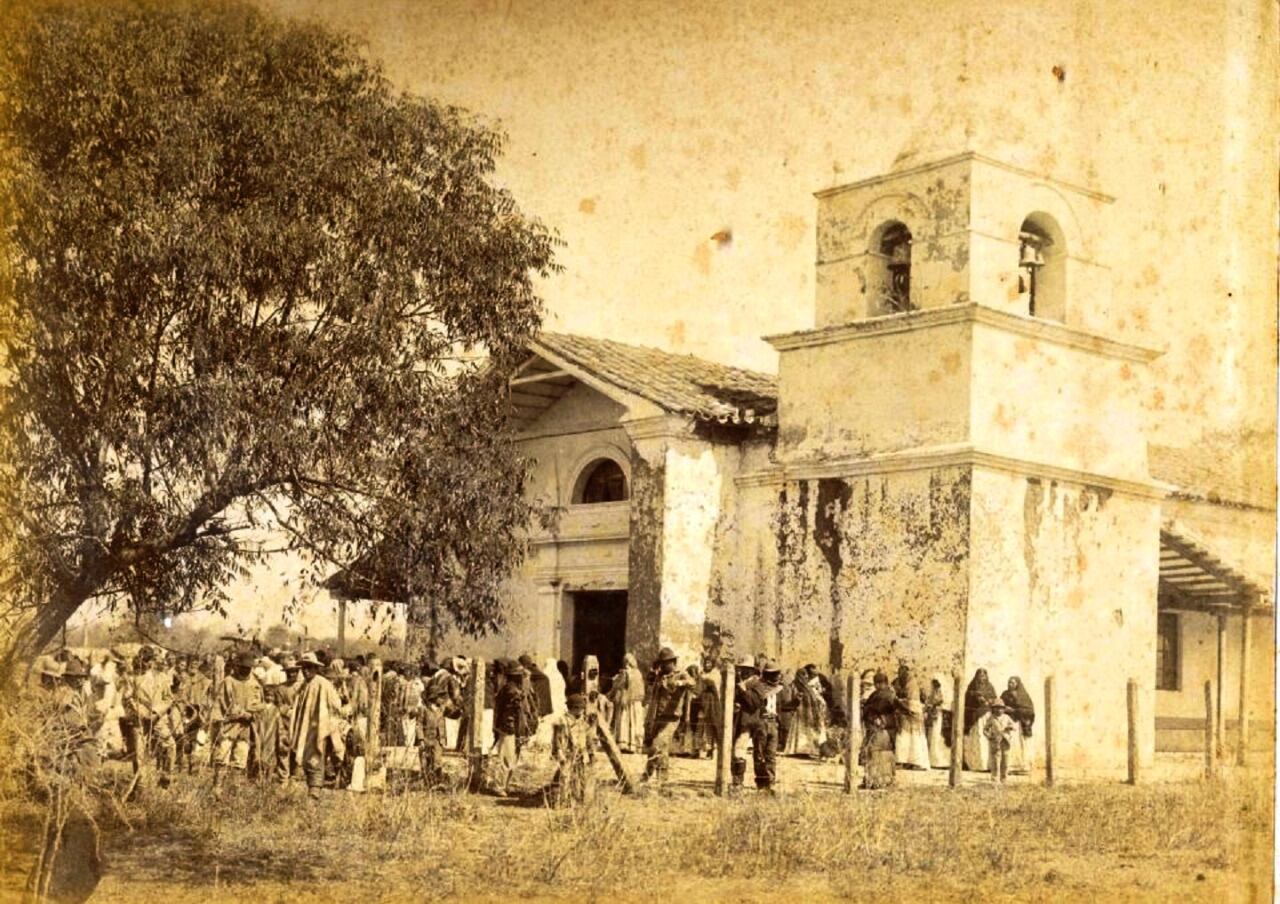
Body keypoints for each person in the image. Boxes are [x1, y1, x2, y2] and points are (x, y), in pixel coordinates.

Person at [290, 652, 346, 799]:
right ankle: (311, 788)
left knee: (317, 756)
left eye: (309, 668)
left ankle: (315, 791)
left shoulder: (324, 684)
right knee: (305, 757)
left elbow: (335, 705)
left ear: (315, 668)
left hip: (320, 728)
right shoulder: (303, 685)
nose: (305, 671)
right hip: (305, 729)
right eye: (303, 668)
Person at [212, 651, 265, 795]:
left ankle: (235, 791)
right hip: (229, 726)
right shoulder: (228, 682)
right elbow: (224, 704)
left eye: (248, 668)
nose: (246, 670)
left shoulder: (255, 684)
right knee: (222, 756)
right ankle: (217, 788)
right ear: (237, 666)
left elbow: (260, 704)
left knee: (240, 759)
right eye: (243, 667)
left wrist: (253, 713)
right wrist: (243, 713)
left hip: (245, 729)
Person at [642, 647, 696, 783]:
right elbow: (649, 683)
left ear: (672, 662)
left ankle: (660, 777)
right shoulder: (659, 675)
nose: (663, 665)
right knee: (658, 747)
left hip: (672, 717)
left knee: (658, 744)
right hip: (658, 716)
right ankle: (652, 776)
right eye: (661, 663)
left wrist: (679, 683)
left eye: (665, 663)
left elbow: (692, 682)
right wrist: (653, 672)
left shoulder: (681, 674)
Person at [737, 659, 790, 792]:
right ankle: (761, 783)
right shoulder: (758, 686)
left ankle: (770, 782)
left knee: (771, 755)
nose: (777, 676)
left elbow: (784, 706)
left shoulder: (780, 688)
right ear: (767, 675)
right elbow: (752, 702)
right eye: (773, 673)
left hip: (773, 723)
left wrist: (796, 701)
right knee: (760, 754)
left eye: (777, 673)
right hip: (761, 722)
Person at [128, 646, 178, 787]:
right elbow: (129, 698)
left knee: (170, 745)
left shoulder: (161, 677)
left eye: (148, 661)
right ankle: (140, 786)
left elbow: (169, 699)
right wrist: (140, 712)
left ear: (152, 661)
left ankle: (166, 777)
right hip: (140, 719)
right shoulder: (134, 678)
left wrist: (156, 713)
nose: (145, 664)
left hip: (157, 719)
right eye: (143, 661)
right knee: (139, 753)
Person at [490, 660, 531, 796]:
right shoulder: (511, 690)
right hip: (509, 727)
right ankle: (499, 785)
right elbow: (517, 710)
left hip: (513, 728)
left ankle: (504, 785)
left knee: (512, 758)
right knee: (506, 758)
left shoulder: (511, 689)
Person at [548, 693, 594, 807]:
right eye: (580, 708)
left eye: (583, 708)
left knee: (579, 777)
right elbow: (557, 739)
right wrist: (559, 753)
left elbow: (588, 738)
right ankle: (560, 801)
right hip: (567, 753)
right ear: (574, 708)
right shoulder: (562, 721)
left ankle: (576, 799)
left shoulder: (583, 722)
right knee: (564, 777)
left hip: (580, 754)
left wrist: (590, 753)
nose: (582, 711)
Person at [783, 664, 828, 757]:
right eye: (803, 674)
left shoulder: (807, 687)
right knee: (800, 732)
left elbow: (815, 698)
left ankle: (806, 751)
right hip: (799, 713)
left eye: (806, 674)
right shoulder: (795, 685)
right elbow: (792, 698)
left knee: (806, 733)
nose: (806, 676)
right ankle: (799, 751)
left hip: (808, 713)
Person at [728, 655, 759, 792]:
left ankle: (738, 782)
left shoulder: (756, 683)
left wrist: (743, 691)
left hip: (748, 721)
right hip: (736, 720)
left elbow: (754, 703)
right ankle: (735, 779)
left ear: (752, 670)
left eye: (746, 669)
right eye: (740, 669)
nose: (742, 672)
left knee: (738, 751)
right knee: (733, 751)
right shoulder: (737, 682)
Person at [892, 663, 930, 770]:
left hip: (913, 716)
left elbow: (912, 702)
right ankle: (902, 761)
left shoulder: (911, 685)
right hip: (905, 716)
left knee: (915, 740)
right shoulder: (900, 683)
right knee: (904, 738)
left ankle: (916, 762)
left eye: (902, 673)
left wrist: (899, 701)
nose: (900, 675)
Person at [609, 652, 647, 753]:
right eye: (625, 662)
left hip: (631, 702)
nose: (626, 664)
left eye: (628, 662)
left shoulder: (633, 673)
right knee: (627, 722)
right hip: (628, 702)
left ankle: (630, 744)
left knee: (631, 722)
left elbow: (626, 685)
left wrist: (622, 677)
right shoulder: (628, 674)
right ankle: (628, 744)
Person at [962, 668, 999, 771]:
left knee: (986, 738)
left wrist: (989, 701)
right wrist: (975, 697)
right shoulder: (972, 686)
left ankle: (988, 765)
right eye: (980, 675)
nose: (982, 678)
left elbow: (995, 699)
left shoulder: (990, 687)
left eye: (983, 676)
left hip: (986, 715)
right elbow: (967, 700)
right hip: (975, 717)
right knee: (977, 737)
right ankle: (977, 764)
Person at [1001, 676, 1035, 774]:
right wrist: (1004, 709)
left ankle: (1022, 768)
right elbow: (999, 705)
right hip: (1008, 722)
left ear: (1017, 684)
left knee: (1021, 745)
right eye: (1009, 682)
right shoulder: (1005, 694)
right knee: (1010, 744)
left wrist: (1014, 710)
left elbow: (1029, 711)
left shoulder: (1023, 696)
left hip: (1020, 724)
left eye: (1012, 682)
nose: (1010, 684)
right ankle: (1010, 767)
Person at [983, 702, 1017, 783]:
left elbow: (1014, 726)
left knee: (1005, 759)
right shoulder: (991, 718)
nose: (999, 710)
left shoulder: (1007, 717)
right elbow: (985, 729)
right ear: (993, 709)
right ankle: (995, 778)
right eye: (996, 708)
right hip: (995, 740)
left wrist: (1010, 727)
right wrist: (989, 736)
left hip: (1005, 740)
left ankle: (1004, 777)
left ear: (1004, 709)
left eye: (1001, 708)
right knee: (995, 760)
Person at [861, 671, 899, 742]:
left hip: (884, 726)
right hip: (877, 725)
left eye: (877, 683)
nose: (876, 686)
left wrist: (868, 708)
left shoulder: (886, 694)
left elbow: (879, 707)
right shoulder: (876, 694)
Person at [860, 714, 896, 789]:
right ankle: (874, 781)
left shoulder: (881, 733)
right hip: (880, 754)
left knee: (874, 758)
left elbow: (876, 746)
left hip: (878, 755)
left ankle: (875, 782)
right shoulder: (874, 733)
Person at [925, 675, 950, 769]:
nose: (935, 686)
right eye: (934, 684)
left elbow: (945, 704)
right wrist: (930, 706)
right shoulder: (932, 693)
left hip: (941, 717)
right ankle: (934, 761)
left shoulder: (942, 692)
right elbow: (928, 702)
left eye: (937, 684)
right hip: (934, 717)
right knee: (933, 737)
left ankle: (943, 762)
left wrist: (937, 706)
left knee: (939, 737)